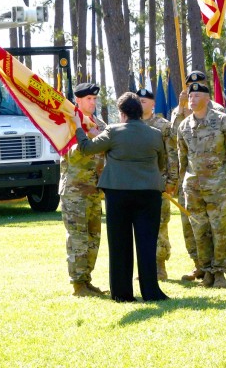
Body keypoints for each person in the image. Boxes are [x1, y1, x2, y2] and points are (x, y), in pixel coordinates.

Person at [73, 92, 169, 302]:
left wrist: (78, 128)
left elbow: (87, 148)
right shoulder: (154, 133)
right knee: (147, 243)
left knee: (120, 244)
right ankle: (151, 291)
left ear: (122, 113)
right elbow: (161, 163)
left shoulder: (113, 131)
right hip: (149, 193)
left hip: (118, 193)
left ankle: (122, 293)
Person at [177, 82, 226, 288]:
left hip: (218, 186)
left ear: (208, 99)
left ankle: (220, 272)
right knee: (200, 230)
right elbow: (183, 159)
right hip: (193, 188)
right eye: (190, 96)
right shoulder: (183, 126)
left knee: (219, 229)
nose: (192, 99)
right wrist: (182, 184)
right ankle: (206, 271)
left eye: (197, 95)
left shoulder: (224, 122)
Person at [171, 70, 226, 282]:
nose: (193, 90)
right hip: (191, 181)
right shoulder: (181, 111)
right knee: (192, 226)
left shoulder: (218, 111)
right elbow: (174, 136)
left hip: (214, 180)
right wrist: (181, 109)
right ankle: (200, 265)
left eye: (199, 84)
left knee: (216, 226)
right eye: (190, 86)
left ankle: (217, 268)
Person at [59, 82, 107, 297]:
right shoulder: (68, 124)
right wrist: (88, 135)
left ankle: (87, 280)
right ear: (77, 101)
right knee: (78, 238)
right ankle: (78, 284)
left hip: (95, 190)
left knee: (93, 237)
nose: (93, 102)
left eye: (95, 99)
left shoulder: (100, 124)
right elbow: (73, 155)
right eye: (89, 99)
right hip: (75, 190)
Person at [137, 88, 179, 281]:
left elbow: (172, 155)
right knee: (139, 228)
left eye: (144, 101)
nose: (140, 104)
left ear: (153, 104)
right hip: (136, 184)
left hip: (157, 183)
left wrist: (171, 180)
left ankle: (160, 267)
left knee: (159, 225)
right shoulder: (131, 125)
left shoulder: (163, 126)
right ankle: (145, 268)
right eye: (138, 100)